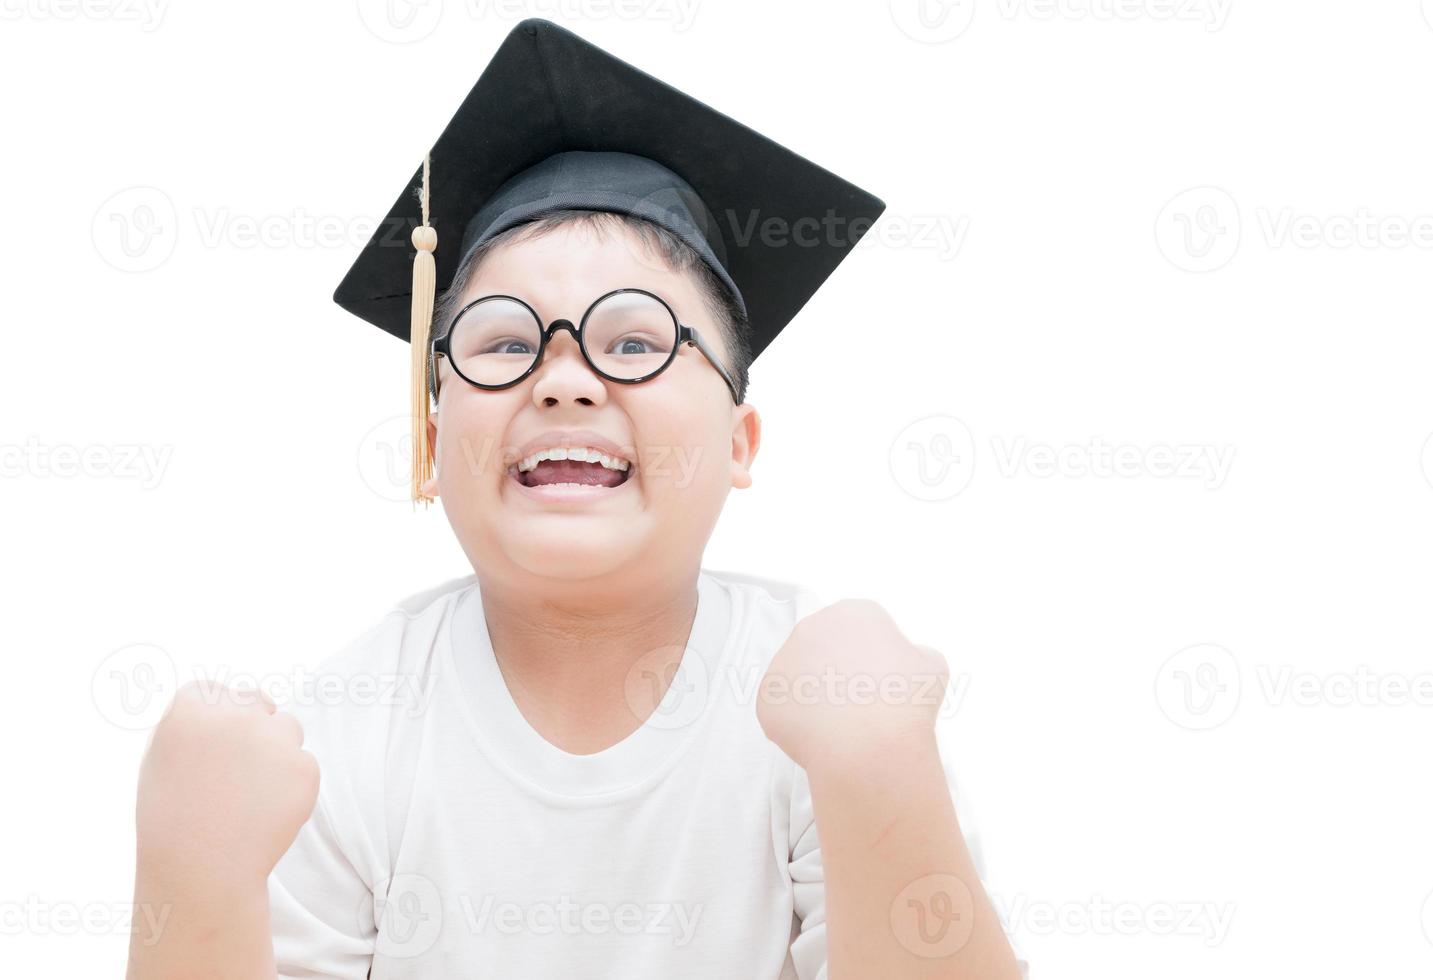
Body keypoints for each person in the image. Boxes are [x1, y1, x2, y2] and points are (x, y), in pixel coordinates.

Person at [126, 19, 1025, 980]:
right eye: (505, 344)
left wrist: (879, 769)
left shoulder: (825, 699)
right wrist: (194, 884)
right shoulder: (352, 730)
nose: (565, 380)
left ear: (737, 444)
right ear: (431, 440)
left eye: (635, 343)